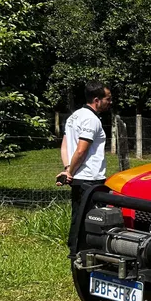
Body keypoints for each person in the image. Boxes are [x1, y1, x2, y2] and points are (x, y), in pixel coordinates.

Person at [57, 82, 112, 220]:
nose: (110, 102)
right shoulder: (91, 119)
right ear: (96, 100)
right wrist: (69, 172)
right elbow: (81, 151)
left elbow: (64, 146)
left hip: (77, 179)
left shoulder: (74, 116)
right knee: (92, 221)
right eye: (108, 99)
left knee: (77, 218)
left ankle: (73, 242)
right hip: (91, 179)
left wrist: (68, 169)